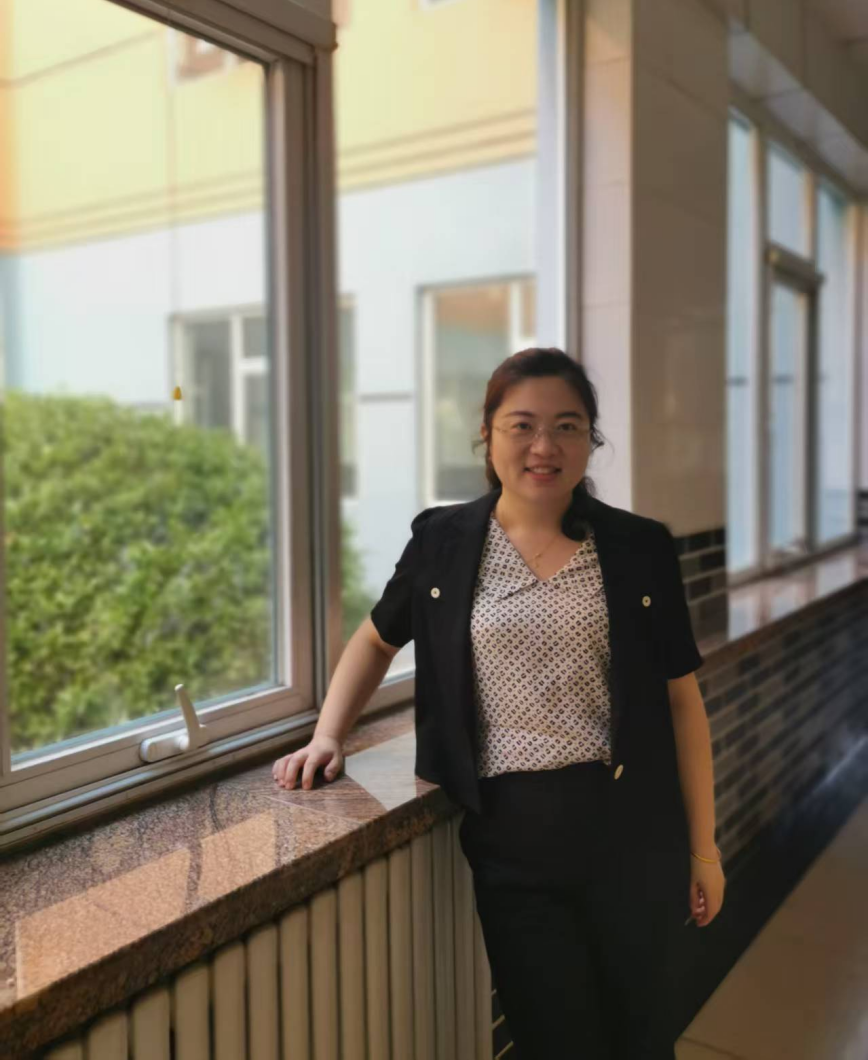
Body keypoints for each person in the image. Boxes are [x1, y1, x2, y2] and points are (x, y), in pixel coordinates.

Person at [272, 347, 726, 1059]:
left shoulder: (639, 547)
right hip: (512, 840)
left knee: (641, 1038)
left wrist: (704, 851)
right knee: (555, 1039)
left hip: (633, 834)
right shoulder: (444, 541)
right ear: (487, 434)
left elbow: (681, 704)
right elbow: (375, 639)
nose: (545, 446)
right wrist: (328, 735)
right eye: (523, 425)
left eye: (567, 426)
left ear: (591, 439)